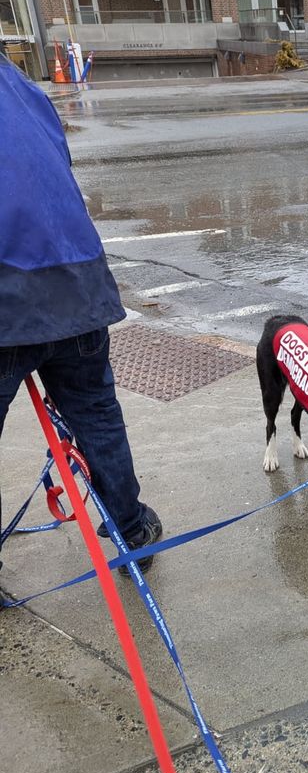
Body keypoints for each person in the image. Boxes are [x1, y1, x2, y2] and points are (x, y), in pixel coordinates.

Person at [0, 51, 162, 575]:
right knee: (96, 415)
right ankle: (130, 528)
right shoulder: (25, 90)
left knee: (95, 413)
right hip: (78, 284)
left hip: (10, 292)